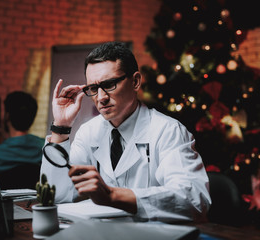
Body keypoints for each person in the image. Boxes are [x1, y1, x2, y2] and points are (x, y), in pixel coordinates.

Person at [40, 42, 211, 222]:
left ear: (135, 81)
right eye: (94, 88)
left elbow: (194, 201)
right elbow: (56, 195)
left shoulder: (168, 131)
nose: (101, 97)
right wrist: (61, 126)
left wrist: (113, 195)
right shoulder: (89, 131)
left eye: (110, 84)